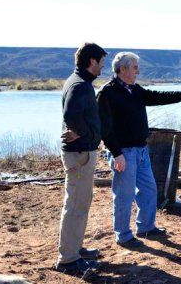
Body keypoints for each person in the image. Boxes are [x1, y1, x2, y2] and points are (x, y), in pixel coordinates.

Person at [97, 52, 181, 249]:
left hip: (140, 150)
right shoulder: (107, 93)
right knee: (124, 195)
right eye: (135, 67)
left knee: (149, 190)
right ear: (122, 69)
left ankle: (146, 227)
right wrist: (116, 153)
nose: (138, 71)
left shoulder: (134, 89)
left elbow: (156, 97)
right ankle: (123, 235)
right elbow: (104, 128)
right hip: (124, 152)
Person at [56, 42, 108, 274]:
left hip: (81, 152)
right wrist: (84, 132)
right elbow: (70, 115)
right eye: (101, 63)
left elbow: (74, 116)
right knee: (76, 204)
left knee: (80, 202)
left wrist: (82, 131)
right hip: (79, 154)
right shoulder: (80, 86)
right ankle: (68, 259)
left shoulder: (79, 82)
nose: (102, 67)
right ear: (91, 62)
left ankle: (75, 249)